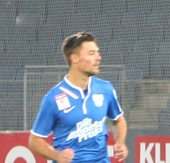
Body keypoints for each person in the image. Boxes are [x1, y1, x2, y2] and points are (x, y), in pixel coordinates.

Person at [29, 32, 128, 163]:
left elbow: (119, 120)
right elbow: (34, 140)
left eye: (98, 53)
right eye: (91, 54)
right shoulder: (53, 99)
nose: (98, 57)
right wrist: (57, 156)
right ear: (74, 58)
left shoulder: (106, 89)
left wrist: (120, 142)